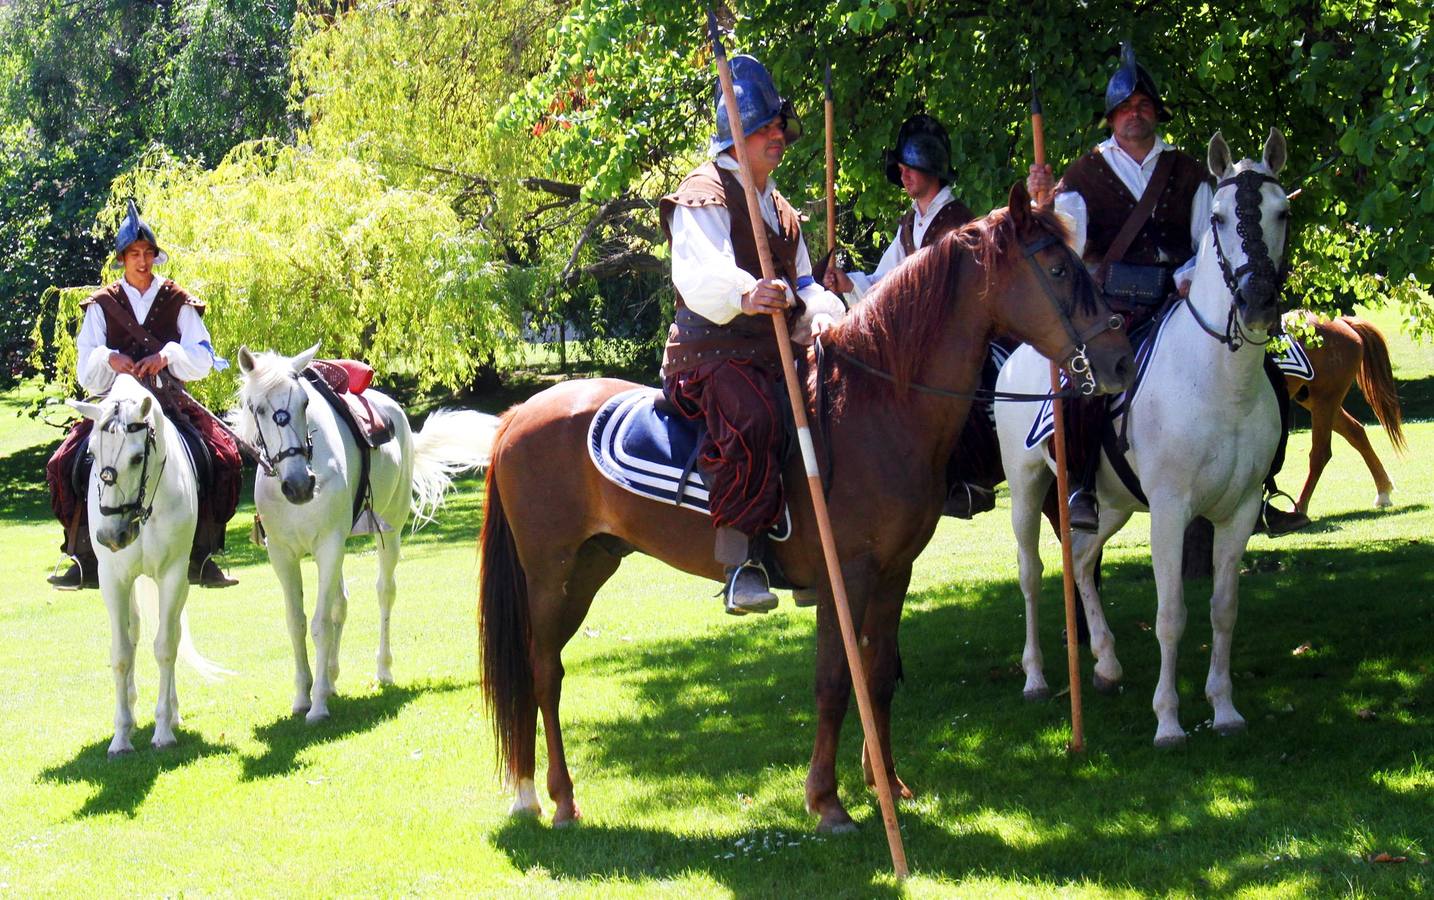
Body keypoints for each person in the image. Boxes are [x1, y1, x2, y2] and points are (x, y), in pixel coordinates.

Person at [1026, 43, 1306, 535]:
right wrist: (1042, 203)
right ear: (1111, 117)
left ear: (1156, 113)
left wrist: (1188, 276)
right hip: (1113, 308)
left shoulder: (1191, 173)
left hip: (1178, 301)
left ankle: (1260, 484)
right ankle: (1083, 486)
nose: (1135, 114)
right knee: (1084, 387)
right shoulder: (1084, 175)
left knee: (1265, 370)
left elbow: (1209, 241)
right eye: (1126, 107)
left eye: (1144, 105)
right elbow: (1065, 246)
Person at [660, 54, 846, 615]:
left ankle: (811, 552)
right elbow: (699, 272)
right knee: (755, 419)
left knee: (834, 410)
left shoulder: (783, 212)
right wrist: (746, 293)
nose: (778, 137)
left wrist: (824, 310)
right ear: (736, 131)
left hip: (772, 352)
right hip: (708, 354)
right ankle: (742, 562)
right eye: (765, 126)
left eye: (779, 127)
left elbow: (807, 283)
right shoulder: (704, 191)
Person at [46, 200, 244, 589]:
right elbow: (86, 365)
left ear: (155, 257)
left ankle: (200, 554)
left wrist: (167, 355)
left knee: (222, 458)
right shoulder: (102, 305)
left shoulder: (177, 300)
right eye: (134, 254)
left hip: (167, 404)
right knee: (63, 464)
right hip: (113, 407)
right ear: (122, 259)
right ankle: (84, 554)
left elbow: (202, 356)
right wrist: (109, 357)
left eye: (147, 253)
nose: (141, 261)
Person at [824, 115, 998, 518]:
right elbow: (886, 280)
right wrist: (847, 282)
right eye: (899, 169)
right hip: (922, 340)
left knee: (960, 392)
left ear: (931, 167)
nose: (902, 175)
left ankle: (971, 478)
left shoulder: (959, 223)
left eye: (909, 167)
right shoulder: (911, 223)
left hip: (953, 340)